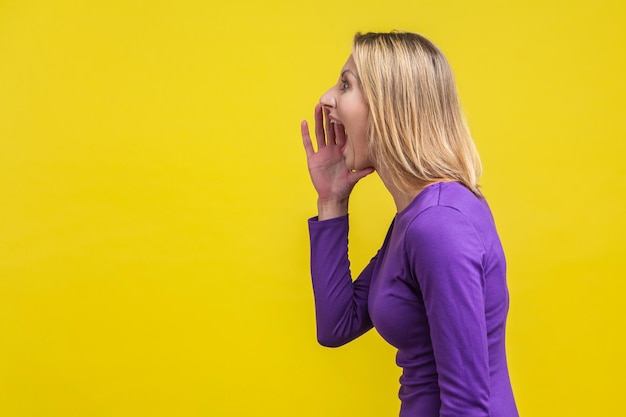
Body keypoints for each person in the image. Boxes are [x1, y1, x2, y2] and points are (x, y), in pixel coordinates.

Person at [300, 32, 519, 417]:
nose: (327, 98)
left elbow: (468, 406)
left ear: (391, 107)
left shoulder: (438, 225)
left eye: (347, 84)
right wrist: (331, 200)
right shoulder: (416, 216)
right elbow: (337, 325)